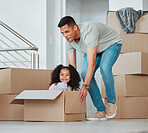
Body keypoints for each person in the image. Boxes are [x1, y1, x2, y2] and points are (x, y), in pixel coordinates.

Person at [58, 16, 122, 120]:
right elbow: (72, 67)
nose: (65, 35)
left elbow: (91, 64)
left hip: (111, 44)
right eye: (62, 33)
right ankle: (101, 111)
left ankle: (112, 102)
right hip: (95, 49)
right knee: (84, 74)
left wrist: (85, 86)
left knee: (105, 68)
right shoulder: (69, 41)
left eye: (67, 31)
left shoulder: (89, 31)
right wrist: (70, 86)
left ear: (75, 27)